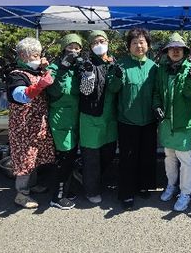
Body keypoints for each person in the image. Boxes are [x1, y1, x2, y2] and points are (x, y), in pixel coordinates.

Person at [108, 28, 158, 210]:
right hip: (127, 120)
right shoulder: (120, 65)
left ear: (148, 45)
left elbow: (157, 92)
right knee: (128, 158)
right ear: (128, 46)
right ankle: (126, 193)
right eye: (134, 42)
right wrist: (116, 78)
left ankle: (143, 186)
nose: (139, 46)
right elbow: (112, 89)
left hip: (149, 121)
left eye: (142, 42)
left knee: (147, 156)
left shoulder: (154, 67)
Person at [5, 37, 56, 209]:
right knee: (25, 158)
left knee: (35, 156)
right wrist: (39, 85)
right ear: (23, 56)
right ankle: (21, 193)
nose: (38, 58)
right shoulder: (16, 75)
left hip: (37, 123)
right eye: (34, 55)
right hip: (23, 126)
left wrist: (45, 70)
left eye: (39, 55)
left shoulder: (36, 72)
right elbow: (20, 95)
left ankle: (31, 185)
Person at [154, 32, 191, 212]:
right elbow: (157, 91)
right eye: (172, 48)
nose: (175, 51)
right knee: (169, 157)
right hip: (166, 123)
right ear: (167, 51)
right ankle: (171, 185)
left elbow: (190, 93)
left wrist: (190, 79)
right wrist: (157, 105)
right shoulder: (161, 70)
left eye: (179, 48)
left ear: (184, 51)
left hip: (183, 124)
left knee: (185, 160)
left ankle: (185, 193)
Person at [78, 30, 118, 204]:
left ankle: (87, 177)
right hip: (91, 117)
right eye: (95, 42)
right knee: (92, 157)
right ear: (90, 46)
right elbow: (85, 91)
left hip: (110, 117)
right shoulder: (86, 64)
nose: (99, 45)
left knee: (109, 152)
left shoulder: (113, 62)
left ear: (108, 42)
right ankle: (91, 190)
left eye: (102, 41)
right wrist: (88, 76)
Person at [45, 33, 83, 209]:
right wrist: (61, 69)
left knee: (72, 156)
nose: (74, 51)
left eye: (77, 48)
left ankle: (66, 189)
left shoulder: (78, 68)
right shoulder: (54, 67)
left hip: (75, 118)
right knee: (64, 157)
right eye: (70, 47)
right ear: (63, 49)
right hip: (60, 118)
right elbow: (52, 91)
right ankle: (57, 196)